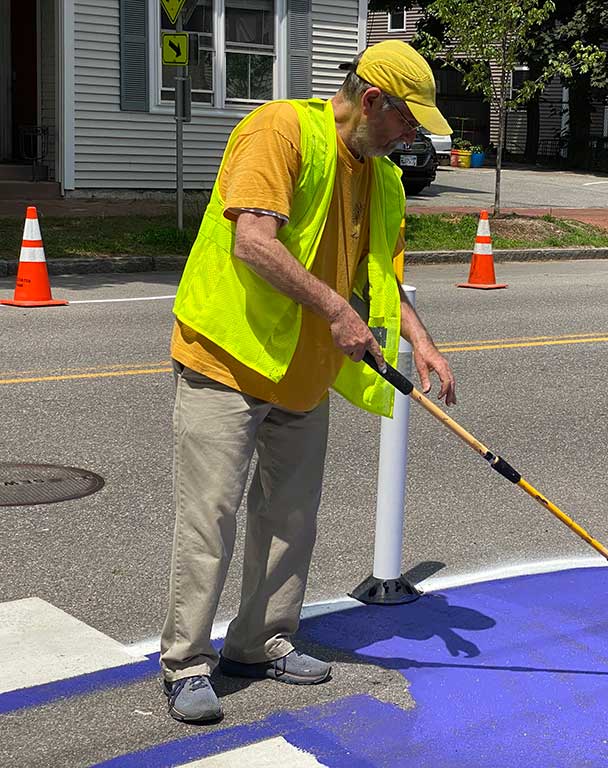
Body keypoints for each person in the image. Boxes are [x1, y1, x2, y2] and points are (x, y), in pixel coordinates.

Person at [159, 40, 456, 724]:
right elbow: (252, 242)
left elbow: (376, 274)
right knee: (211, 517)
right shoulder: (281, 130)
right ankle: (185, 663)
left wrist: (424, 343)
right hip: (227, 358)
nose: (412, 138)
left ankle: (259, 643)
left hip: (302, 368)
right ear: (373, 101)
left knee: (289, 518)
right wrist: (334, 310)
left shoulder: (380, 176)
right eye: (409, 121)